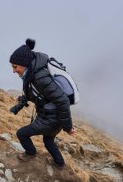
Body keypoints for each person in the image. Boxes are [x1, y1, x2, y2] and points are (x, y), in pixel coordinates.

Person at [9, 38, 75, 170]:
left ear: (24, 64)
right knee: (48, 140)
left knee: (22, 134)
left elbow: (63, 100)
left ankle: (30, 153)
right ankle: (60, 164)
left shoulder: (39, 77)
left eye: (15, 67)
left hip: (50, 119)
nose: (13, 71)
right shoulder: (32, 73)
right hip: (52, 117)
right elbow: (40, 95)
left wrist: (68, 127)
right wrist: (20, 104)